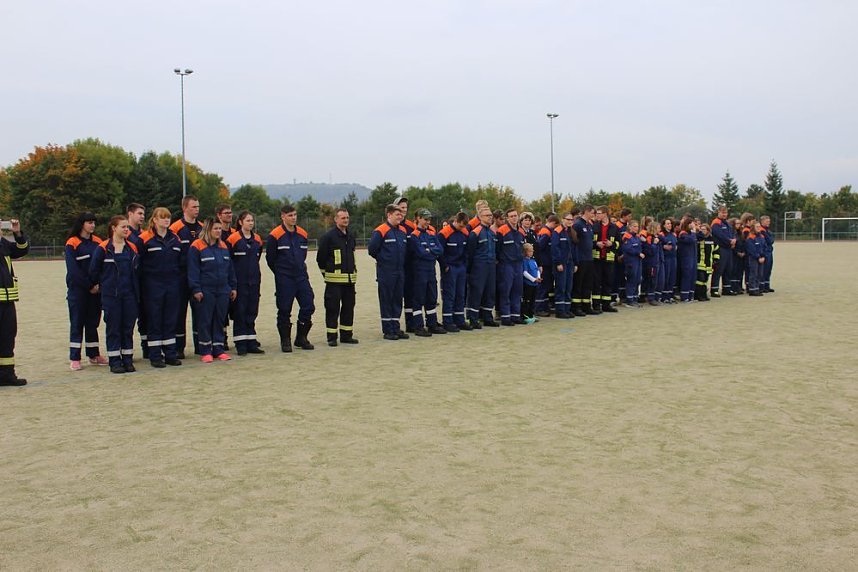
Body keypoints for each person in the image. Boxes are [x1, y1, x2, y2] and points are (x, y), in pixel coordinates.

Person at [89, 215, 139, 374]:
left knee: (127, 328)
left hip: (129, 294)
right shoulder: (103, 248)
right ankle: (115, 361)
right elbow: (93, 271)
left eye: (127, 227)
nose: (126, 230)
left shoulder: (131, 248)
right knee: (114, 328)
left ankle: (128, 360)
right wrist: (97, 285)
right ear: (113, 228)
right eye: (123, 227)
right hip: (111, 296)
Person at [266, 204, 315, 352]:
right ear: (283, 217)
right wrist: (281, 273)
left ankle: (301, 338)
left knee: (308, 305)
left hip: (301, 276)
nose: (293, 218)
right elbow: (270, 259)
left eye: (294, 215)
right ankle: (285, 340)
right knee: (284, 309)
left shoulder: (302, 234)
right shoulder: (275, 235)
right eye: (290, 215)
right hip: (284, 278)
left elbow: (303, 256)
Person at [138, 207, 183, 368]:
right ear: (154, 220)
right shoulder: (144, 239)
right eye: (162, 217)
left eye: (168, 217)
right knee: (154, 320)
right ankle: (155, 355)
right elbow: (138, 264)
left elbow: (181, 262)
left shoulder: (175, 239)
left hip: (172, 284)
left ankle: (170, 353)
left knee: (170, 319)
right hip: (152, 285)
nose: (166, 220)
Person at [188, 218, 237, 362]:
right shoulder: (196, 246)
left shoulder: (223, 246)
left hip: (222, 289)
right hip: (205, 289)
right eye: (215, 229)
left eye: (220, 229)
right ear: (208, 230)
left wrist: (233, 286)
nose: (218, 231)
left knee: (219, 319)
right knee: (205, 320)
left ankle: (218, 349)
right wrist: (196, 289)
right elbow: (193, 270)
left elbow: (230, 269)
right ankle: (205, 350)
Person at [64, 212, 108, 370]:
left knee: (92, 323)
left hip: (96, 291)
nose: (93, 226)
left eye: (94, 223)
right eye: (89, 222)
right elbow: (73, 271)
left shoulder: (98, 242)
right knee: (77, 323)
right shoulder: (72, 242)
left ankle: (94, 355)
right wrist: (89, 286)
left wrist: (97, 285)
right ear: (82, 224)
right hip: (78, 291)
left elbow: (103, 266)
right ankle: (75, 358)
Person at [316, 208, 359, 347]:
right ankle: (332, 337)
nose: (345, 220)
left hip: (349, 281)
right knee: (332, 309)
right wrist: (326, 274)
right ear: (336, 219)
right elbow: (320, 259)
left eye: (347, 218)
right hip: (333, 281)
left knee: (348, 308)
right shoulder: (328, 237)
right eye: (342, 218)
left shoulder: (351, 236)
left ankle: (346, 335)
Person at [367, 204, 408, 340]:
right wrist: (384, 260)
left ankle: (395, 327)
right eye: (397, 214)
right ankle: (388, 330)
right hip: (386, 272)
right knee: (386, 300)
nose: (400, 217)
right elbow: (372, 250)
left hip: (400, 271)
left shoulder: (402, 231)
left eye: (401, 215)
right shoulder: (380, 231)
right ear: (389, 215)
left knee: (397, 299)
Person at [227, 211, 265, 355]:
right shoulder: (233, 239)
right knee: (240, 313)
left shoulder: (257, 239)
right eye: (248, 220)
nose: (251, 223)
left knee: (252, 312)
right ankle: (240, 344)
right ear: (241, 222)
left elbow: (258, 257)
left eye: (252, 220)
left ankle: (251, 342)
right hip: (239, 283)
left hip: (254, 282)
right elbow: (229, 262)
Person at [169, 195, 202, 358]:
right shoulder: (175, 228)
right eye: (193, 207)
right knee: (179, 313)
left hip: (198, 277)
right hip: (180, 277)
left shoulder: (203, 228)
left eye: (198, 207)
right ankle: (178, 348)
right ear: (185, 208)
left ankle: (200, 345)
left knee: (200, 312)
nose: (197, 210)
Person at [0, 217, 30, 386]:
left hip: (8, 301)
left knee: (7, 337)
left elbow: (22, 249)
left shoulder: (3, 244)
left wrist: (17, 233)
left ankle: (6, 375)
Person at [408, 209, 446, 336]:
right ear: (418, 218)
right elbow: (421, 252)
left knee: (431, 297)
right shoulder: (414, 236)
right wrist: (431, 251)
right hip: (419, 271)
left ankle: (432, 324)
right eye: (425, 219)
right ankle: (418, 326)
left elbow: (440, 250)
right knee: (418, 298)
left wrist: (430, 250)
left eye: (429, 220)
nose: (427, 222)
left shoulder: (431, 233)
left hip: (431, 270)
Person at [466, 207, 499, 328]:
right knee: (476, 292)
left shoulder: (492, 232)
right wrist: (470, 271)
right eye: (487, 215)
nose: (490, 217)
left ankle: (487, 317)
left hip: (491, 266)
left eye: (490, 215)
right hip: (479, 266)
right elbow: (470, 253)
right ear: (480, 217)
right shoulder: (475, 233)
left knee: (490, 292)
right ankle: (473, 318)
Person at [438, 212, 471, 332]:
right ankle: (447, 321)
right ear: (456, 221)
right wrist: (444, 266)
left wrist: (464, 265)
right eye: (461, 226)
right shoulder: (444, 233)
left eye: (464, 227)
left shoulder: (465, 232)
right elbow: (439, 252)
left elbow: (467, 250)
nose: (462, 228)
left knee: (460, 294)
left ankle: (460, 320)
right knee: (449, 295)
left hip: (461, 267)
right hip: (450, 268)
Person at [496, 208, 525, 326]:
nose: (514, 218)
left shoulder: (521, 232)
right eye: (511, 216)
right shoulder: (502, 231)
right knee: (505, 290)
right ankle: (505, 317)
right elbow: (497, 249)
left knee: (517, 291)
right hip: (506, 265)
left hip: (518, 264)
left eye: (515, 216)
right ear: (507, 218)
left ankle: (516, 315)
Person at [126, 203, 148, 358]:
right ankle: (125, 351)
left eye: (143, 214)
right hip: (129, 283)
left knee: (146, 317)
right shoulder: (124, 233)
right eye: (139, 213)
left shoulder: (144, 234)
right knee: (128, 318)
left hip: (144, 281)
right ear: (130, 214)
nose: (142, 216)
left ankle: (147, 347)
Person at [592, 206, 619, 313]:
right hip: (596, 258)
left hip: (609, 259)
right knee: (596, 282)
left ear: (605, 214)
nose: (597, 215)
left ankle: (606, 305)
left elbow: (619, 243)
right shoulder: (594, 227)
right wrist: (596, 244)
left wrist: (611, 244)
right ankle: (596, 305)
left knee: (608, 281)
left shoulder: (614, 227)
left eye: (599, 213)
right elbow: (589, 242)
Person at [215, 204, 235, 348]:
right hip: (220, 275)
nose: (229, 215)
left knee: (234, 307)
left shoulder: (235, 233)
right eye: (226, 213)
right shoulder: (216, 233)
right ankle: (222, 337)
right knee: (222, 309)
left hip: (233, 273)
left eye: (230, 212)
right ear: (219, 215)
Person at [571, 205, 597, 316]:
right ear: (586, 212)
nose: (593, 215)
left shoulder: (589, 225)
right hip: (581, 258)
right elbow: (574, 241)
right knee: (578, 283)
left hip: (589, 258)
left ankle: (586, 306)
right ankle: (576, 307)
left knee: (588, 283)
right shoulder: (577, 225)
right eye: (592, 213)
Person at [551, 212, 576, 318]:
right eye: (568, 219)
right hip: (561, 264)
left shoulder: (571, 232)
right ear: (563, 219)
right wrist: (558, 263)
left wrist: (575, 263)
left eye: (571, 220)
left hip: (570, 263)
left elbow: (574, 249)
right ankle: (560, 310)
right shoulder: (557, 231)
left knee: (568, 286)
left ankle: (567, 309)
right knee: (561, 287)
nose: (570, 221)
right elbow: (555, 248)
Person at [709, 205, 736, 297]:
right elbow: (720, 235)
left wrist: (733, 240)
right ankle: (714, 289)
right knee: (719, 269)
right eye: (723, 212)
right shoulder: (716, 223)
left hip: (728, 249)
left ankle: (727, 288)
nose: (724, 214)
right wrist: (729, 241)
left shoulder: (727, 223)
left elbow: (732, 233)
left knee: (728, 269)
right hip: (720, 249)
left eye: (726, 213)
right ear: (718, 212)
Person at [535, 214, 558, 316]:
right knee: (543, 287)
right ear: (553, 223)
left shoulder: (546, 231)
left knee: (546, 286)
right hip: (545, 264)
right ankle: (539, 308)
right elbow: (539, 247)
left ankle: (544, 306)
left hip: (546, 263)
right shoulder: (546, 232)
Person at [620, 220, 644, 308]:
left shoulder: (637, 237)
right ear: (629, 227)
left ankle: (635, 298)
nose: (636, 228)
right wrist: (638, 253)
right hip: (631, 261)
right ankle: (629, 299)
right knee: (631, 279)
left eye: (637, 227)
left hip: (638, 261)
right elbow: (628, 249)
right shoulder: (626, 236)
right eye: (634, 226)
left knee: (638, 280)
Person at [677, 219, 698, 303]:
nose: (693, 225)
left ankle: (691, 296)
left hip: (693, 257)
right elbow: (690, 240)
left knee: (693, 276)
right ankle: (684, 296)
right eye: (692, 224)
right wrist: (693, 231)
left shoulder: (691, 234)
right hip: (686, 258)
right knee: (687, 276)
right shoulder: (683, 234)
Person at [695, 224, 718, 302]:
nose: (702, 231)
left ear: (708, 230)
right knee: (700, 280)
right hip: (700, 263)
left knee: (705, 280)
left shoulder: (712, 239)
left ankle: (704, 295)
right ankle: (699, 295)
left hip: (709, 263)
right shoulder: (698, 238)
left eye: (704, 229)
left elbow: (716, 250)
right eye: (701, 229)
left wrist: (715, 259)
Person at [659, 218, 678, 304]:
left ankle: (670, 295)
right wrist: (664, 247)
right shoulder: (662, 234)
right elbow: (661, 244)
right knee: (666, 276)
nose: (669, 225)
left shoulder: (673, 234)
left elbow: (675, 244)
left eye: (670, 223)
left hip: (673, 257)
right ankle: (664, 296)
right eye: (667, 223)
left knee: (672, 277)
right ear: (663, 225)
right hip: (666, 258)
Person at [745, 221, 766, 297]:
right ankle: (752, 289)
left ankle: (757, 288)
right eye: (757, 227)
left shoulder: (761, 236)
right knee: (754, 273)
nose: (758, 228)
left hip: (761, 258)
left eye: (759, 227)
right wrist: (758, 257)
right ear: (753, 228)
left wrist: (763, 256)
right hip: (753, 259)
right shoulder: (750, 237)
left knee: (760, 274)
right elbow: (751, 249)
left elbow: (764, 247)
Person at [521, 243, 541, 324]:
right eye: (530, 251)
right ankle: (526, 316)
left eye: (532, 251)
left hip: (535, 284)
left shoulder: (533, 260)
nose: (532, 252)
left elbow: (537, 270)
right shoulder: (524, 261)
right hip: (528, 284)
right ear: (525, 252)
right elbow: (524, 272)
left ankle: (531, 314)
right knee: (527, 301)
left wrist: (538, 277)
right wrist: (533, 279)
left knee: (533, 300)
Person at [760, 215, 775, 292]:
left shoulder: (767, 230)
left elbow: (772, 240)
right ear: (762, 222)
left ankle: (767, 285)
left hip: (769, 251)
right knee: (764, 270)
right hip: (765, 252)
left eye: (769, 221)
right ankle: (762, 286)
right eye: (767, 221)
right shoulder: (761, 230)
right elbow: (770, 241)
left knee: (769, 269)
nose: (769, 222)